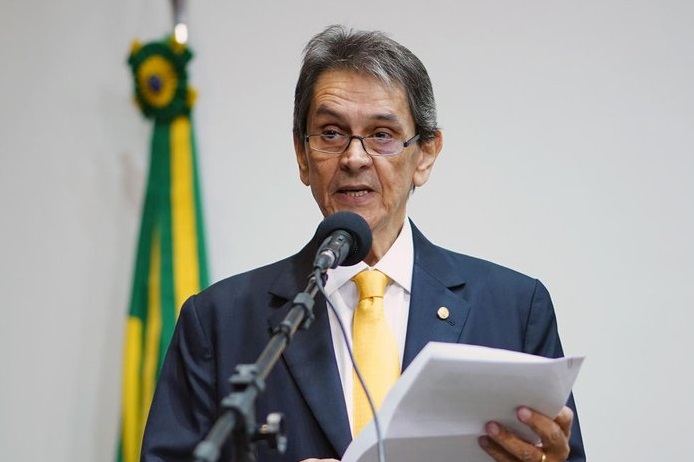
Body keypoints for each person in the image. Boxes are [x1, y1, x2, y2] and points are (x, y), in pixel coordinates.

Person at [141, 25, 585, 462]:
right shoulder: (218, 321)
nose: (354, 158)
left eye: (381, 135)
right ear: (302, 155)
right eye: (331, 133)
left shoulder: (514, 310)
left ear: (426, 154)